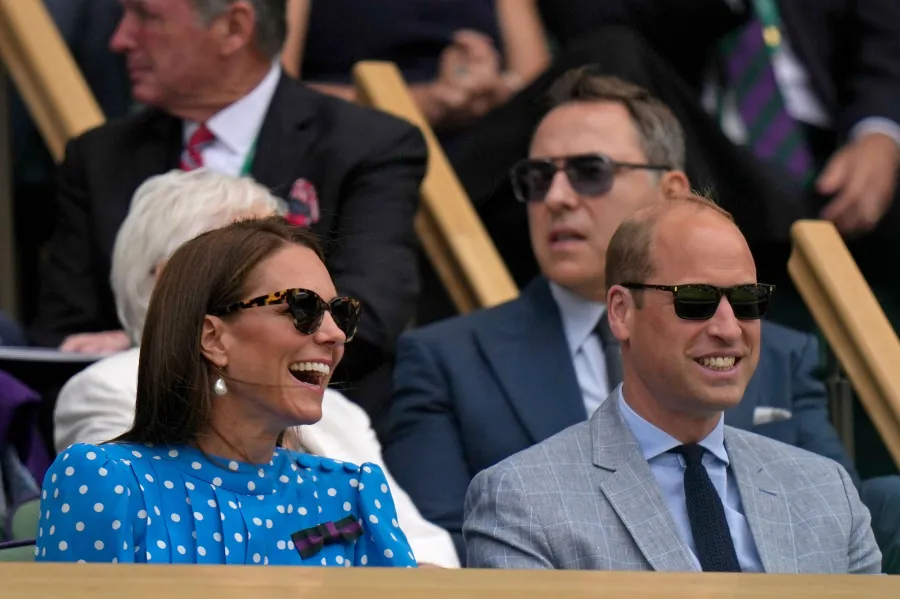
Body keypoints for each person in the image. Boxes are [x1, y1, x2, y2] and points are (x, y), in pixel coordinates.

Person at [384, 70, 900, 567]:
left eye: (590, 171)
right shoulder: (445, 360)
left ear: (673, 191)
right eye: (538, 177)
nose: (557, 199)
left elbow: (838, 525)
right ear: (620, 314)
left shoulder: (776, 351)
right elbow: (439, 560)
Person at [30, 0, 427, 415]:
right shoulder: (99, 156)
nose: (120, 39)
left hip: (307, 427)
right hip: (130, 418)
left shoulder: (365, 145)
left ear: (234, 28)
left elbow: (368, 316)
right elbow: (61, 333)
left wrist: (161, 343)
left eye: (147, 18)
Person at [52, 169, 459, 567]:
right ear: (212, 338)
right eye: (302, 308)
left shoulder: (349, 490)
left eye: (341, 313)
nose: (336, 334)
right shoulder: (108, 479)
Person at [463, 194, 881, 573]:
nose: (729, 328)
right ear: (622, 312)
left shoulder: (827, 491)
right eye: (695, 299)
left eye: (747, 300)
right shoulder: (522, 499)